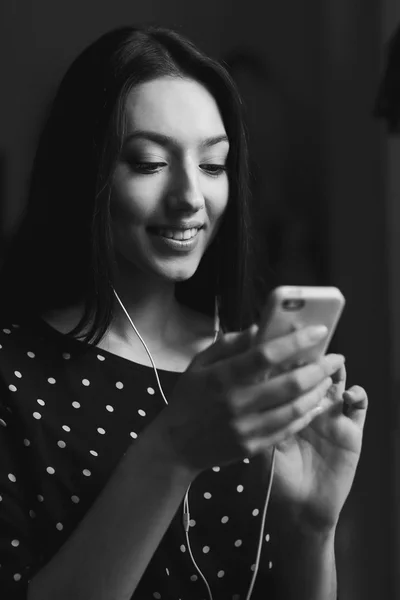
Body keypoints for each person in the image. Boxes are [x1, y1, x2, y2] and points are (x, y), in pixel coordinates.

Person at [0, 25, 367, 600]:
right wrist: (171, 450)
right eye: (149, 163)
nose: (190, 197)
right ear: (83, 172)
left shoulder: (243, 365)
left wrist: (311, 526)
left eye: (214, 165)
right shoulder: (14, 372)